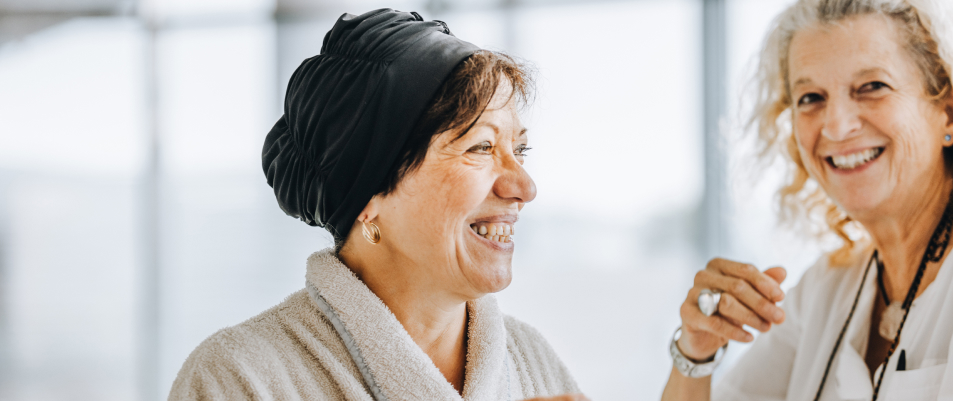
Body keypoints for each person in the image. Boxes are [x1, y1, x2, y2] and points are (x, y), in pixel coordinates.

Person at [169, 9, 585, 401]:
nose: (524, 186)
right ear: (368, 194)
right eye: (481, 147)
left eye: (521, 150)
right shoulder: (241, 378)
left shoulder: (531, 360)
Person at [662, 0, 953, 400]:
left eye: (872, 87)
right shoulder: (826, 290)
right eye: (811, 98)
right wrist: (695, 349)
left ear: (947, 112)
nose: (837, 126)